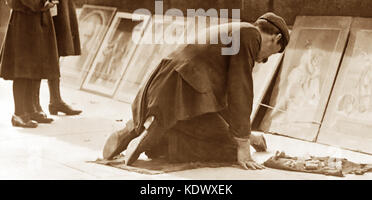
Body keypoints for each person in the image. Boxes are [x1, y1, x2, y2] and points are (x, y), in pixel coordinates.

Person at [103, 12, 290, 170]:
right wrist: (242, 144)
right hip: (183, 92)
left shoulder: (237, 28)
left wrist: (248, 135)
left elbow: (222, 104)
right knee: (229, 149)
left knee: (222, 134)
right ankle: (162, 142)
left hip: (164, 91)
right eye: (270, 54)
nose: (262, 60)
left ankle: (136, 130)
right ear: (276, 38)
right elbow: (240, 90)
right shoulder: (251, 36)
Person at [0, 0, 64, 127]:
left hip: (35, 23)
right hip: (25, 25)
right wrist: (45, 1)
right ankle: (20, 113)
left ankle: (34, 109)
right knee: (24, 70)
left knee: (36, 67)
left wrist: (44, 0)